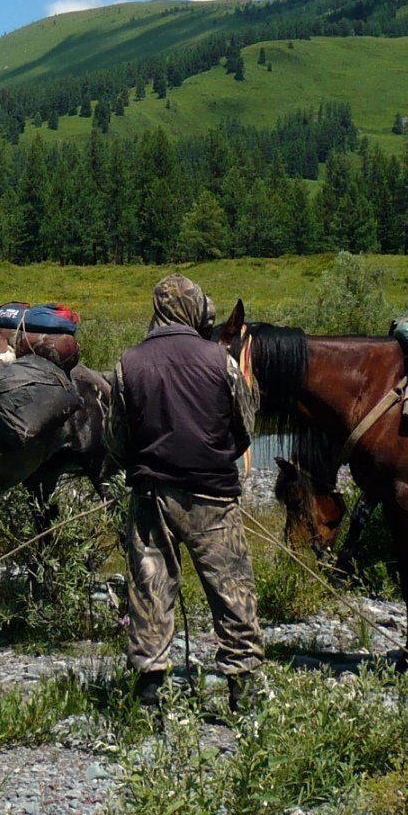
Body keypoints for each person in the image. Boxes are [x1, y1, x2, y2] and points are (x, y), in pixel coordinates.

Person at [112, 274, 266, 712]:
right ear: (197, 310)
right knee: (232, 587)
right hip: (213, 496)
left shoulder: (128, 363)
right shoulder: (221, 361)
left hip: (150, 497)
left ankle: (150, 693)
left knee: (149, 588)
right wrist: (216, 457)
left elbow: (116, 437)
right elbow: (246, 428)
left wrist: (143, 467)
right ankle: (244, 691)